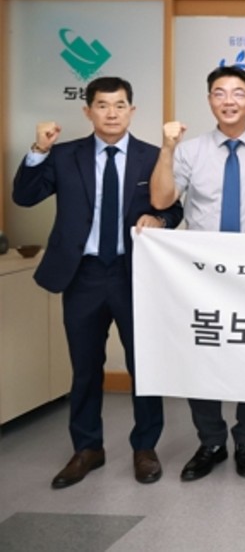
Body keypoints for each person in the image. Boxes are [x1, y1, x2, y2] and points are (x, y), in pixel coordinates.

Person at [11, 76, 181, 488]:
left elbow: (173, 208)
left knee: (144, 365)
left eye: (120, 105)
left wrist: (159, 218)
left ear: (132, 111)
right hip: (83, 274)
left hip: (132, 274)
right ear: (88, 111)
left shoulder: (151, 156)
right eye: (102, 105)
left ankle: (145, 447)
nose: (111, 113)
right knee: (85, 367)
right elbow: (24, 196)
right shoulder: (64, 155)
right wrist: (38, 151)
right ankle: (88, 448)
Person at [150, 65, 245, 481]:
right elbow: (162, 199)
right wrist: (167, 149)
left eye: (238, 93)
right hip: (200, 276)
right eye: (219, 93)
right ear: (209, 101)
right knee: (201, 358)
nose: (229, 101)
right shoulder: (190, 151)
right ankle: (211, 442)